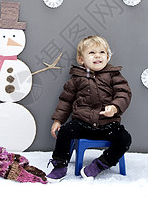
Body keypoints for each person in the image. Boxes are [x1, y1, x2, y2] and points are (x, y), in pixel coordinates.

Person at [46, 35, 132, 182]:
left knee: (124, 139)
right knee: (65, 132)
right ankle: (60, 165)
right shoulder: (76, 78)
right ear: (81, 59)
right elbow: (66, 100)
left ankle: (101, 164)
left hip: (107, 123)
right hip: (82, 123)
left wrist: (115, 107)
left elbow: (123, 94)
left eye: (102, 52)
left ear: (108, 57)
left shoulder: (114, 75)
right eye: (92, 53)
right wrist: (58, 120)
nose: (97, 56)